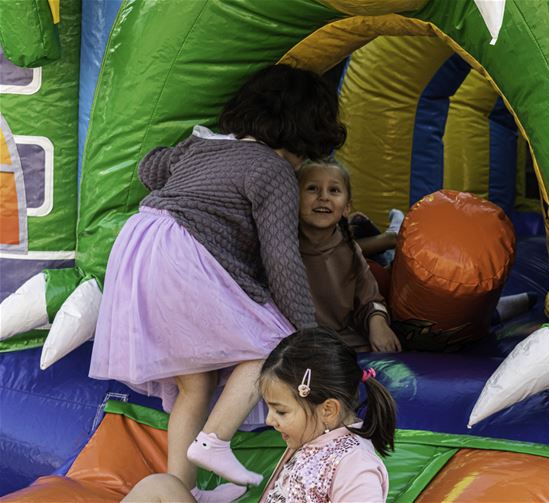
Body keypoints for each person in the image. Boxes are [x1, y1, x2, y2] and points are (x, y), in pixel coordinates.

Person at [90, 64, 346, 501]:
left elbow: (150, 167)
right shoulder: (272, 171)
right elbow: (281, 259)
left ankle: (181, 491)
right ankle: (215, 441)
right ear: (306, 134)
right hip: (187, 253)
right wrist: (309, 336)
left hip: (140, 245)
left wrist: (184, 160)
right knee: (272, 344)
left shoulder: (202, 145)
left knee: (195, 383)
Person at [123, 328, 396, 503]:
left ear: (328, 410)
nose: (270, 420)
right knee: (161, 486)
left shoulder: (355, 463)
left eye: (281, 411)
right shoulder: (315, 437)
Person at [297, 160, 402, 353]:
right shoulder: (284, 246)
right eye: (312, 189)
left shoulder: (348, 250)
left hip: (338, 338)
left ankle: (390, 239)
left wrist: (377, 323)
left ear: (346, 208)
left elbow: (369, 297)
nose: (323, 197)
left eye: (334, 190)